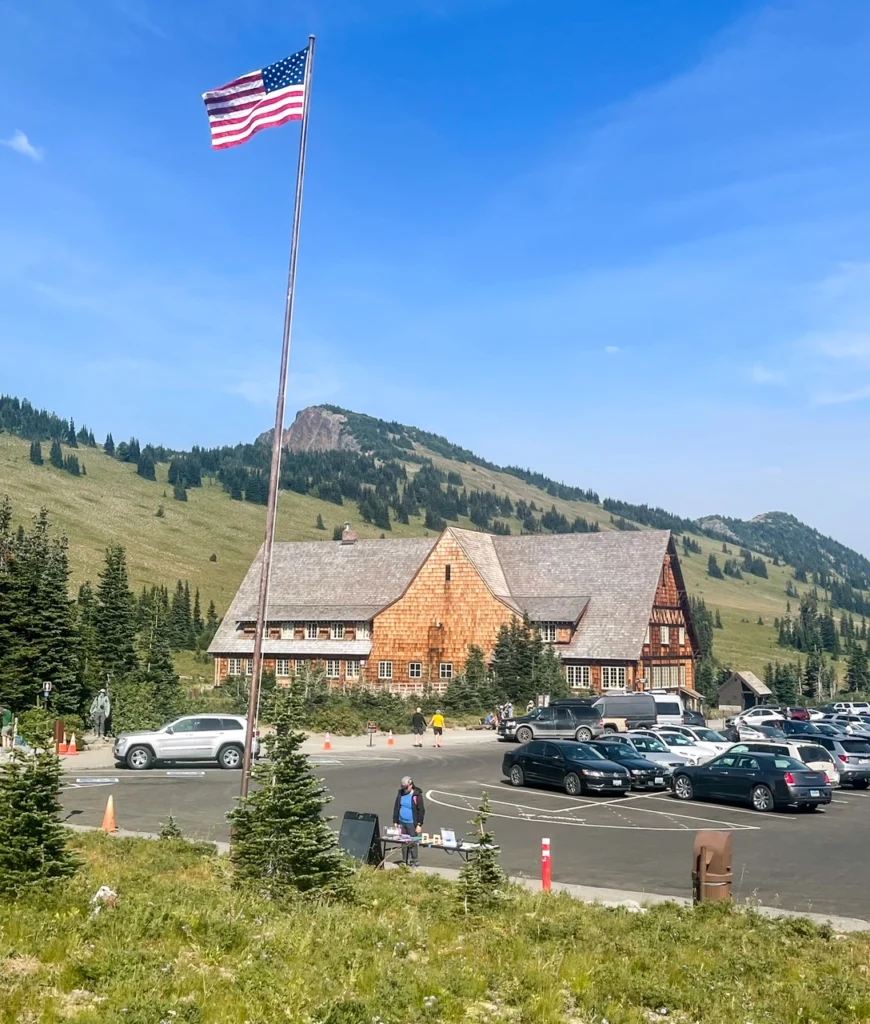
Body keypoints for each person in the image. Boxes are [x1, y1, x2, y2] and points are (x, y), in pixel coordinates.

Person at [393, 775, 425, 866]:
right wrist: (395, 821)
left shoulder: (416, 795)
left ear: (411, 785)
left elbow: (421, 810)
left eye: (406, 787)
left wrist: (419, 824)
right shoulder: (401, 794)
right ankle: (404, 861)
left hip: (411, 823)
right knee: (403, 842)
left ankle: (414, 861)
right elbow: (396, 807)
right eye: (403, 787)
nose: (405, 789)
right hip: (402, 822)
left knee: (412, 842)